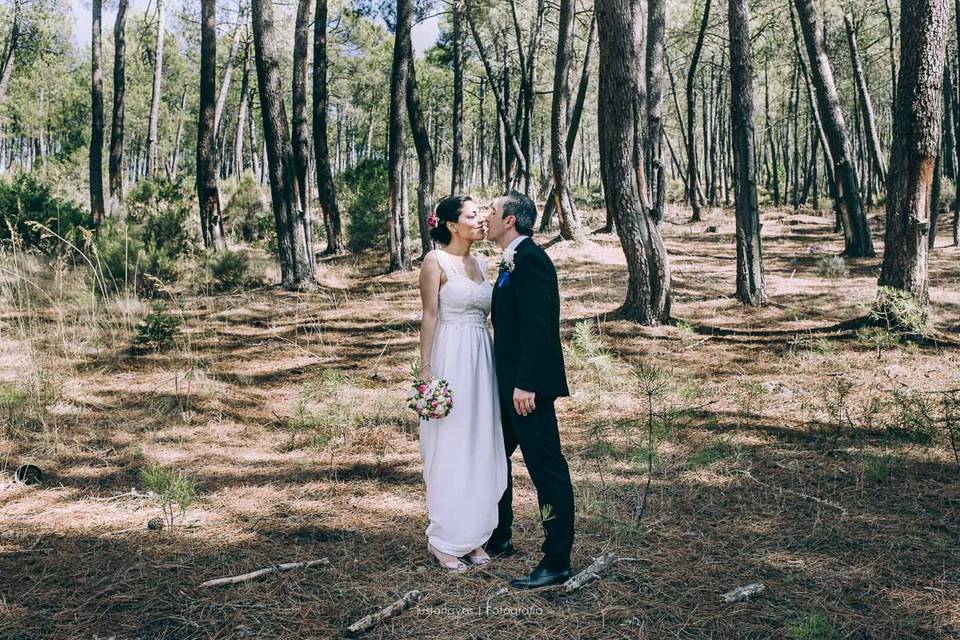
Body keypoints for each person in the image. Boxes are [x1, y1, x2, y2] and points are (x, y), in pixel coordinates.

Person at [484, 190, 576, 589]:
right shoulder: (512, 259)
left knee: (546, 469)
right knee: (491, 459)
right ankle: (499, 535)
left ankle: (556, 560)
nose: (487, 215)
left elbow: (540, 328)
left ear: (510, 221)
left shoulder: (532, 260)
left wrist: (526, 384)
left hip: (527, 390)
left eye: (492, 210)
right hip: (508, 385)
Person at [416, 194, 508, 572]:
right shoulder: (434, 261)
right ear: (452, 225)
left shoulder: (483, 262)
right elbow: (429, 315)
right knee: (451, 444)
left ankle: (472, 536)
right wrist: (425, 369)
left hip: (481, 358)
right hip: (450, 355)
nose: (480, 220)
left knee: (480, 441)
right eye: (471, 215)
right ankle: (444, 540)